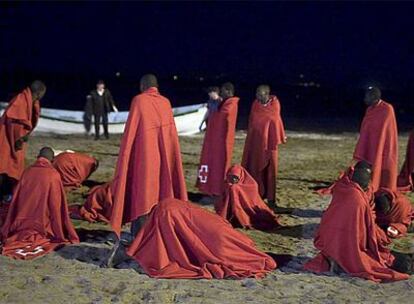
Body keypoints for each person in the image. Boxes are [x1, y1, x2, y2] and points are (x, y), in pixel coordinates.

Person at [107, 74, 188, 265]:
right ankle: (148, 239)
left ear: (143, 85)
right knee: (158, 196)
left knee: (143, 197)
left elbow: (130, 136)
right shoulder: (166, 103)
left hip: (144, 159)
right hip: (162, 160)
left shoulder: (139, 101)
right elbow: (170, 139)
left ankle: (139, 244)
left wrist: (127, 159)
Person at [304, 161, 409, 282]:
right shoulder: (357, 198)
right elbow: (360, 235)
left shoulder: (343, 187)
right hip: (348, 249)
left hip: (329, 245)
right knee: (401, 264)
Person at [126, 198, 276, 279]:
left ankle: (253, 256)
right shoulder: (167, 208)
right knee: (236, 248)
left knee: (230, 254)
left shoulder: (165, 214)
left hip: (219, 238)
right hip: (219, 229)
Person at [1, 147, 79, 259]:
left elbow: (17, 198)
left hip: (21, 220)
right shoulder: (53, 175)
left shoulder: (27, 171)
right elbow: (56, 204)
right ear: (52, 160)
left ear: (38, 157)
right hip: (42, 222)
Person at [0, 81, 46, 202]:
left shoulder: (30, 101)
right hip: (7, 137)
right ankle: (5, 194)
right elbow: (16, 122)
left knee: (10, 165)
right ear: (39, 92)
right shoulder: (20, 101)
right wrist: (18, 139)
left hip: (14, 138)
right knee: (5, 165)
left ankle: (7, 193)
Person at [242, 85, 286, 207]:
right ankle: (257, 195)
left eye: (261, 94)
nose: (258, 96)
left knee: (271, 170)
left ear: (267, 94)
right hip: (256, 142)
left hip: (270, 144)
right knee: (254, 167)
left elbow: (274, 120)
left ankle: (271, 199)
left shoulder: (275, 105)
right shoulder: (255, 104)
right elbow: (252, 122)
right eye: (257, 94)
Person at [196, 82, 239, 202]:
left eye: (223, 91)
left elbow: (222, 116)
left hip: (221, 142)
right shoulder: (222, 103)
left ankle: (216, 192)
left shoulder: (230, 103)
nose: (221, 93)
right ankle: (208, 190)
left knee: (218, 167)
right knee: (209, 164)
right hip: (213, 140)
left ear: (228, 91)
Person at [353, 87, 398, 192]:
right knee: (368, 164)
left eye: (367, 96)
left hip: (383, 144)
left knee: (382, 163)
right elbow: (366, 128)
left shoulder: (387, 109)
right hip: (371, 143)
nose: (364, 99)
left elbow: (386, 131)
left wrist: (380, 142)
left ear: (374, 97)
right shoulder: (369, 110)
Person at [215, 165, 280, 230]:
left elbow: (253, 201)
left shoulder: (251, 185)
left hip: (251, 210)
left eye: (236, 177)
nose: (234, 179)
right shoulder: (227, 185)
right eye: (231, 177)